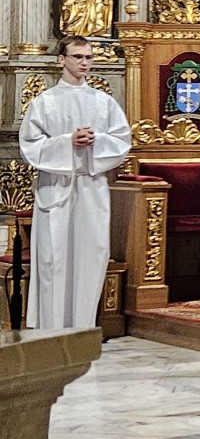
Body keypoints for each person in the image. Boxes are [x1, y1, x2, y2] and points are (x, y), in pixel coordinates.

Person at [19, 36, 132, 329]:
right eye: (78, 57)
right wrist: (67, 142)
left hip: (91, 186)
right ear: (61, 59)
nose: (84, 63)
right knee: (52, 259)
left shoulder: (103, 102)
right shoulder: (44, 102)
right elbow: (30, 145)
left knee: (91, 256)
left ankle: (82, 329)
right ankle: (51, 330)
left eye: (89, 57)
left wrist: (97, 141)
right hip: (55, 187)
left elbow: (122, 141)